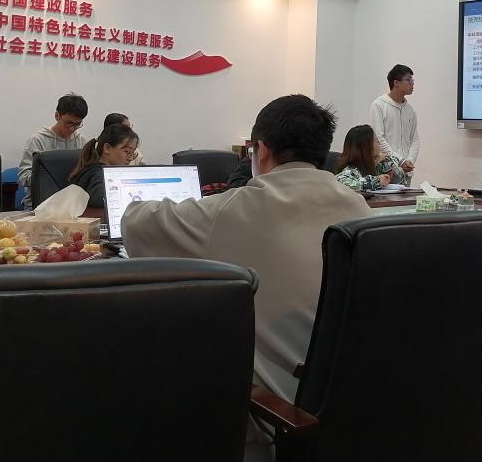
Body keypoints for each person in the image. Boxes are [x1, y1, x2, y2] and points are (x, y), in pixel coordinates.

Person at [123, 95, 372, 406]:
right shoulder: (358, 208)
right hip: (352, 399)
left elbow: (134, 224)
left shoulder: (235, 209)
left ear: (261, 150)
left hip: (275, 412)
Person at [17, 93, 88, 209]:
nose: (72, 128)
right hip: (40, 205)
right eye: (69, 123)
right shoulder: (37, 140)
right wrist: (46, 179)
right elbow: (23, 177)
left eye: (77, 124)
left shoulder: (81, 141)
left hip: (71, 205)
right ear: (57, 116)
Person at [67, 125, 141, 210]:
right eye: (127, 151)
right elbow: (100, 198)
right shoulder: (96, 173)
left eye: (133, 153)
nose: (130, 158)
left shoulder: (100, 169)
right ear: (107, 148)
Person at [369, 64, 420, 177]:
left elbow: (415, 139)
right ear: (396, 82)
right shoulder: (379, 105)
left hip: (406, 171)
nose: (412, 83)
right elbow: (379, 138)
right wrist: (399, 161)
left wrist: (409, 161)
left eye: (413, 80)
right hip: (386, 171)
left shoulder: (410, 110)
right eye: (409, 80)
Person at [334, 124, 406, 192]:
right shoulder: (351, 169)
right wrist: (376, 181)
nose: (379, 143)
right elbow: (342, 182)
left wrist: (389, 163)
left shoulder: (379, 164)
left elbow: (400, 178)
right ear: (366, 146)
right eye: (376, 140)